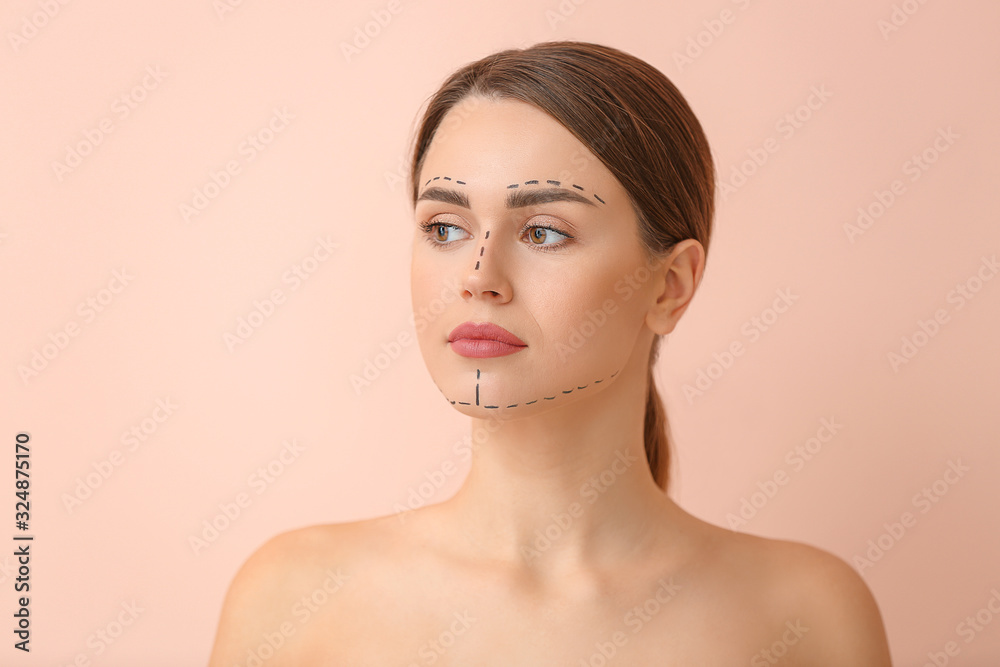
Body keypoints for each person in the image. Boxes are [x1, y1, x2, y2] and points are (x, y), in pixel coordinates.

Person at [208, 41, 893, 665]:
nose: (478, 275)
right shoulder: (291, 600)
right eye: (444, 226)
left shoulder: (807, 616)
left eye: (543, 232)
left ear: (670, 285)